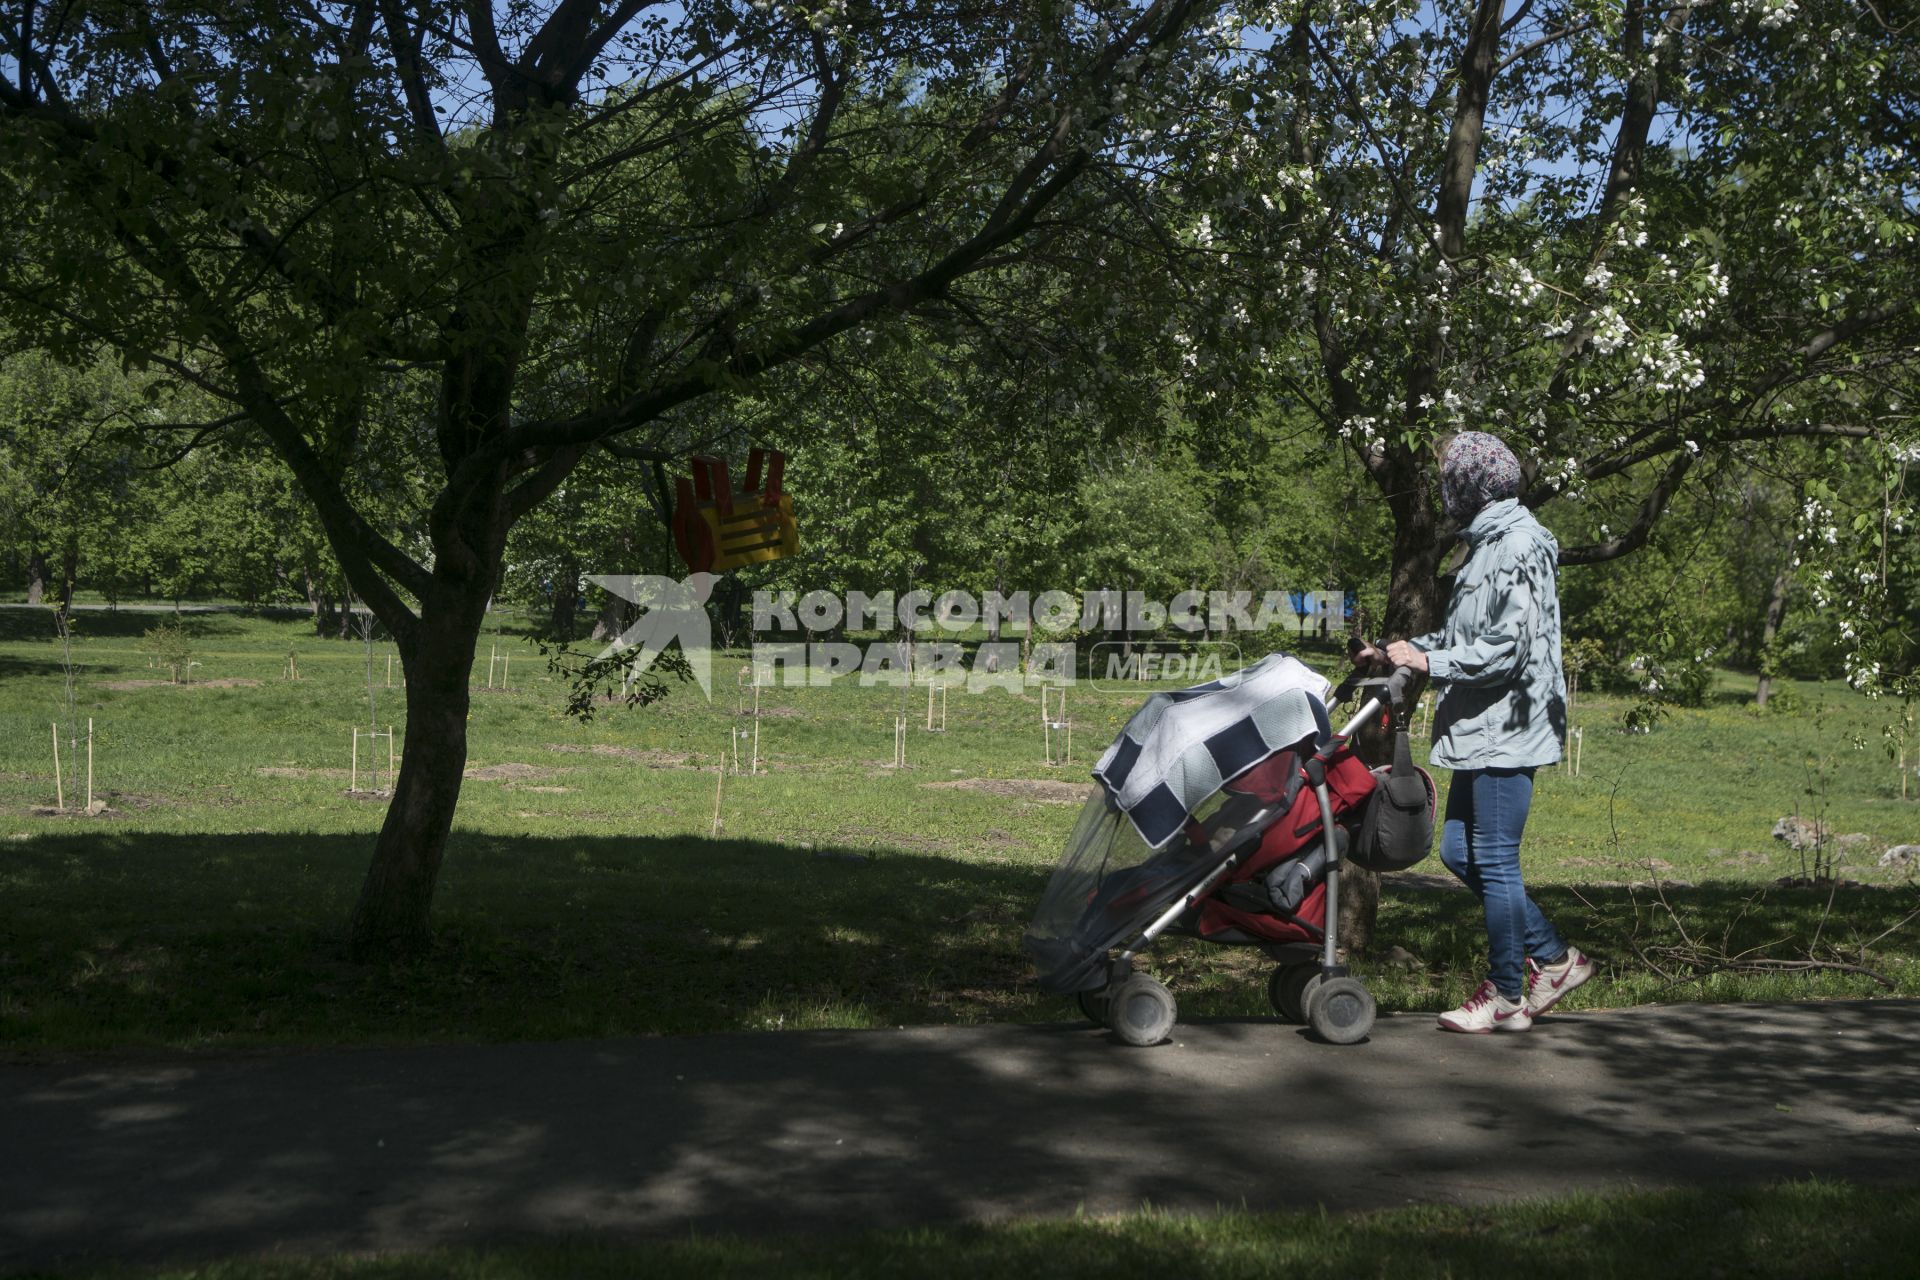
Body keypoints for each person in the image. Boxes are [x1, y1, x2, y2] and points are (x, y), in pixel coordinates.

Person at [1357, 431, 1592, 1033]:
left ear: (1470, 483)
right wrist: (1397, 652)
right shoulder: (1484, 546)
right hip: (1483, 721)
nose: (1443, 490)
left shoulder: (1517, 546)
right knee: (1462, 852)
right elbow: (1466, 640)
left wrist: (1429, 663)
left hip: (1507, 722)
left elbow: (1506, 649)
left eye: (1448, 479)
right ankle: (1556, 960)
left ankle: (1507, 992)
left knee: (1493, 856)